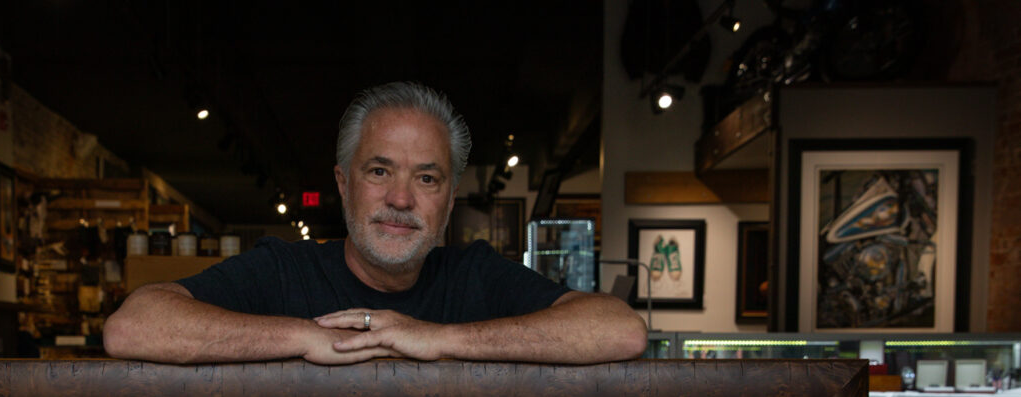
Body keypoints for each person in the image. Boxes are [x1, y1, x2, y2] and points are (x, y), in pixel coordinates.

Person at [102, 81, 648, 366]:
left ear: (449, 201)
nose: (401, 198)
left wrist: (439, 340)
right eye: (380, 170)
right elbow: (134, 326)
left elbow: (618, 329)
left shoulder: (476, 276)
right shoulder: (283, 270)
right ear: (343, 183)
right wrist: (304, 337)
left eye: (427, 179)